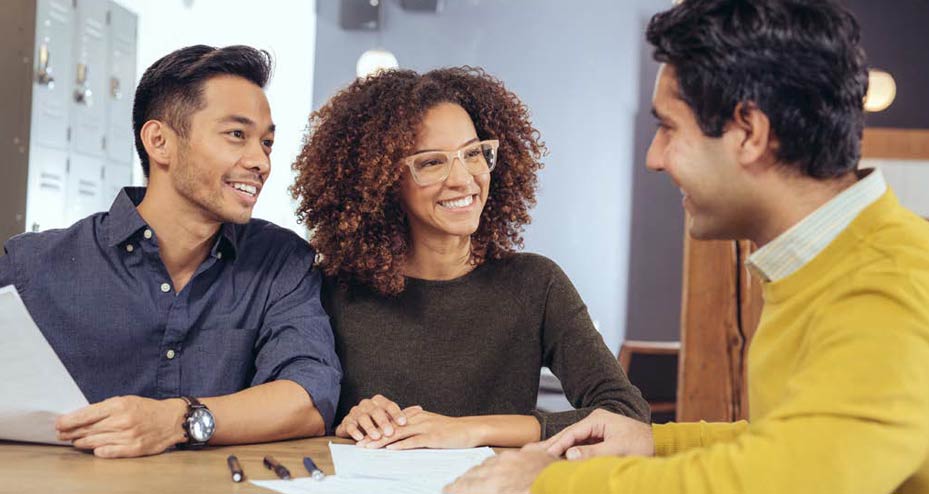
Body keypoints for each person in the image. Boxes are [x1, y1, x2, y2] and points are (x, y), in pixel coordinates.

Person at [445, 1, 929, 493]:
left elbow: (795, 480)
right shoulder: (837, 263)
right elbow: (799, 441)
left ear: (749, 132)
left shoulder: (887, 282)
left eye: (669, 128)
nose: (655, 158)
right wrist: (652, 442)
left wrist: (554, 482)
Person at [0, 45, 341, 458]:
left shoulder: (281, 262)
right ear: (160, 141)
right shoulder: (31, 266)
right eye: (237, 135)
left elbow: (309, 396)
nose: (261, 162)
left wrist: (179, 420)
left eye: (266, 143)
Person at [290, 67, 649, 450]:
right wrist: (346, 419)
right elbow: (299, 411)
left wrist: (471, 430)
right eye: (431, 162)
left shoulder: (535, 284)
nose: (463, 179)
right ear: (380, 182)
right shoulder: (334, 290)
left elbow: (625, 414)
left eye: (474, 153)